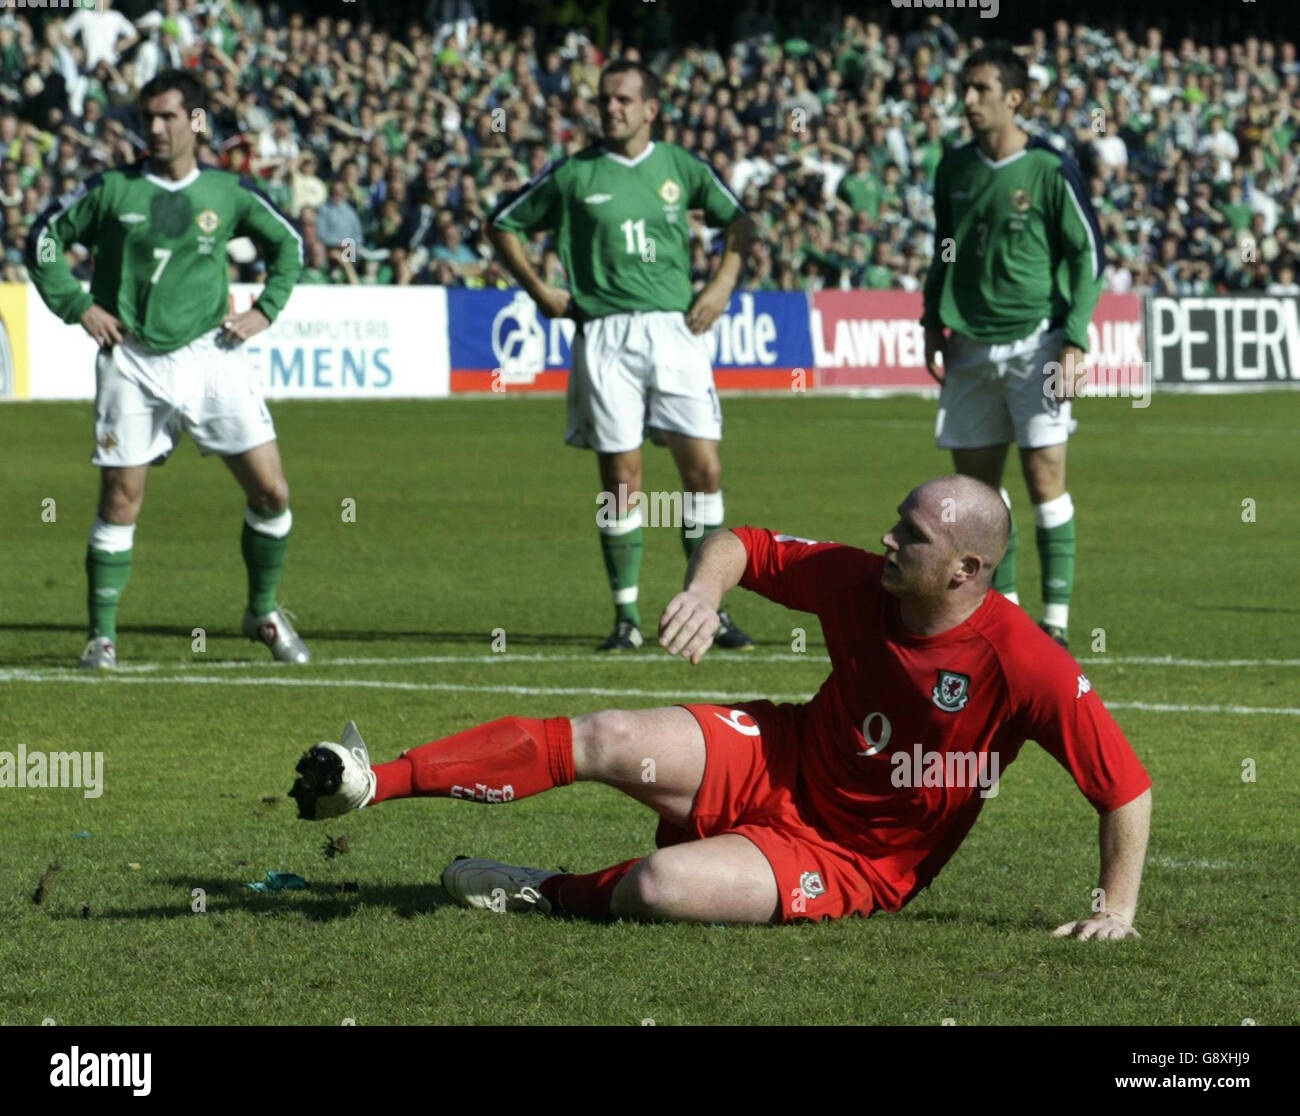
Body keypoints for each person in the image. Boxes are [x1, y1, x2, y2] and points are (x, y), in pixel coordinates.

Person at [289, 475, 1151, 937]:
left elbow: (1126, 789)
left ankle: (546, 891)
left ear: (965, 571)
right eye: (897, 522)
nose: (888, 539)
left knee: (661, 888)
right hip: (781, 752)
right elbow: (745, 543)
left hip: (856, 861)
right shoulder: (863, 582)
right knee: (610, 734)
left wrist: (1116, 911)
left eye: (912, 537)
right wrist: (706, 592)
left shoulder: (1026, 662)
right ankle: (372, 781)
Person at [27, 70, 307, 670]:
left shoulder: (228, 193)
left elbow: (290, 245)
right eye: (147, 117)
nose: (154, 128)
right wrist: (78, 306)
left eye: (168, 117)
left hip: (213, 354)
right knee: (121, 500)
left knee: (272, 490)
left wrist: (264, 310)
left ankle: (262, 611)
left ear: (196, 122)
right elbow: (44, 238)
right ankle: (101, 637)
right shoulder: (110, 189)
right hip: (131, 359)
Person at [486, 59, 757, 653]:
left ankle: (707, 607)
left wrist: (721, 285)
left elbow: (740, 222)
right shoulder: (574, 174)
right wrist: (540, 291)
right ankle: (627, 618)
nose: (611, 108)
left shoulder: (681, 168)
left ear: (650, 109)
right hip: (604, 334)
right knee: (621, 478)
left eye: (624, 99)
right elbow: (502, 224)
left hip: (674, 330)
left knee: (703, 470)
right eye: (605, 99)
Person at [923, 44, 1105, 649]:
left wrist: (1074, 340)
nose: (967, 100)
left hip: (1039, 343)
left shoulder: (1051, 169)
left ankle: (1055, 621)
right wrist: (932, 321)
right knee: (977, 497)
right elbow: (943, 247)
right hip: (970, 346)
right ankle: (1010, 615)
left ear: (1014, 98)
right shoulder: (953, 168)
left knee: (1042, 476)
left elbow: (1088, 254)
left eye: (979, 89)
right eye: (964, 89)